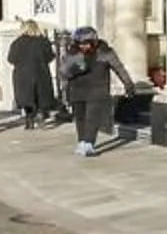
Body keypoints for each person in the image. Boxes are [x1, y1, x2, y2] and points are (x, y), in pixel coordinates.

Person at [60, 27, 139, 158]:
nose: (83, 46)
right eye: (80, 44)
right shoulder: (73, 53)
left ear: (94, 42)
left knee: (92, 117)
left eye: (86, 43)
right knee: (80, 117)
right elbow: (63, 71)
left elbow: (119, 68)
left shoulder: (105, 52)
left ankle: (89, 143)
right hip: (77, 90)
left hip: (97, 89)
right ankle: (82, 141)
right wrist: (75, 69)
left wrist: (128, 84)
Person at [6, 19, 57, 129]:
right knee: (41, 95)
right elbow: (50, 56)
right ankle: (40, 115)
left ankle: (29, 120)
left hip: (22, 74)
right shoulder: (43, 41)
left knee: (27, 97)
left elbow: (11, 58)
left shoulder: (17, 43)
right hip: (41, 71)